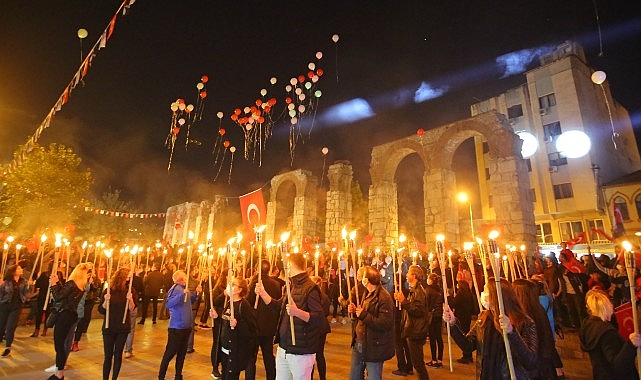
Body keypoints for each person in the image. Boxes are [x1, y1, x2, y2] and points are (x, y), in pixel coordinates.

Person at [444, 280, 538, 380]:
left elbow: (530, 361)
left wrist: (512, 332)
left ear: (496, 296)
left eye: (485, 291)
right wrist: (453, 322)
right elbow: (468, 345)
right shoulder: (484, 318)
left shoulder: (523, 322)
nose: (483, 294)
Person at [255, 252, 324, 380]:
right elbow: (279, 308)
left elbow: (319, 319)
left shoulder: (310, 288)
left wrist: (298, 312)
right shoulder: (291, 285)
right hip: (284, 348)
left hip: (301, 352)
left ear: (290, 265)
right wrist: (263, 294)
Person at [579, 289, 641, 379]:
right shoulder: (607, 332)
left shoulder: (587, 325)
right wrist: (630, 344)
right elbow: (618, 365)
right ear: (604, 307)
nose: (612, 306)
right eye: (609, 303)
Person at [348, 265, 395, 380]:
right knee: (354, 376)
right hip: (359, 342)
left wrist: (363, 314)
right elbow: (364, 314)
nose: (361, 279)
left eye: (363, 276)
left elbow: (385, 323)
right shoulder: (367, 293)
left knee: (374, 376)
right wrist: (355, 311)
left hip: (374, 346)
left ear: (368, 279)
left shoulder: (384, 297)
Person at [48, 263, 90, 380]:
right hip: (72, 315)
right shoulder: (81, 286)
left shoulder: (72, 284)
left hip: (64, 315)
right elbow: (65, 293)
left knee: (59, 344)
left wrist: (53, 284)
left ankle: (59, 373)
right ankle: (59, 371)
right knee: (61, 343)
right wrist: (58, 283)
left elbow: (58, 297)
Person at [158, 270, 202, 380]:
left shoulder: (184, 289)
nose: (187, 279)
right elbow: (168, 303)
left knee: (182, 354)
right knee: (170, 353)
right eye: (185, 278)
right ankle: (161, 376)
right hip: (177, 328)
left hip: (186, 327)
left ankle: (178, 375)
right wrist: (182, 294)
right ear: (181, 280)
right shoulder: (175, 289)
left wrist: (196, 293)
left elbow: (190, 300)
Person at [212, 276, 257, 380]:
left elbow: (252, 330)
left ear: (240, 289)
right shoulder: (229, 302)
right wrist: (217, 317)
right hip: (225, 349)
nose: (229, 286)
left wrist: (238, 325)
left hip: (235, 351)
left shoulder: (243, 305)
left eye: (233, 284)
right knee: (225, 375)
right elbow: (225, 323)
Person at [512, 279, 557, 380]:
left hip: (533, 369)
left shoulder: (527, 318)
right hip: (542, 365)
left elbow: (528, 350)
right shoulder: (537, 309)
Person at [246, 260, 282, 380]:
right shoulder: (276, 284)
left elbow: (248, 303)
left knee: (251, 357)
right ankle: (271, 377)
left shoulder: (255, 284)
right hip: (269, 326)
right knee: (268, 355)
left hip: (255, 325)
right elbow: (277, 304)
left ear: (256, 269)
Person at [99, 267, 136, 380]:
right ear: (122, 278)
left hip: (122, 327)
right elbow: (101, 310)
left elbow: (132, 309)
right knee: (108, 356)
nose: (129, 278)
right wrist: (106, 300)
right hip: (109, 327)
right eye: (127, 277)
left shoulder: (130, 290)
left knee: (118, 354)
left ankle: (114, 378)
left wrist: (130, 299)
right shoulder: (109, 290)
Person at [394, 265, 429, 380]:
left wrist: (403, 301)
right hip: (412, 329)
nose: (407, 274)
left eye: (408, 272)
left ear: (414, 276)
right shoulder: (413, 290)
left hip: (416, 331)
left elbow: (418, 311)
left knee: (418, 363)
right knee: (417, 362)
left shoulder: (418, 291)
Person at [0, 264, 29, 357]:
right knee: (1, 326)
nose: (21, 270)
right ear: (14, 271)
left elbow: (26, 294)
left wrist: (30, 287)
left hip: (16, 307)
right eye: (19, 268)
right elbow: (1, 294)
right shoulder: (6, 282)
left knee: (10, 327)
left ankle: (8, 347)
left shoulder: (24, 281)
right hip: (4, 306)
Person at [72, 264, 101, 351]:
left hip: (87, 301)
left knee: (83, 319)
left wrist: (91, 283)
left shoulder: (93, 279)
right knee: (72, 324)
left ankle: (76, 341)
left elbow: (95, 288)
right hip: (76, 304)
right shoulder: (77, 279)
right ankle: (71, 340)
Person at [312, 275, 331, 380]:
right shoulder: (325, 297)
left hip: (315, 328)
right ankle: (322, 377)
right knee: (320, 354)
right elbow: (327, 312)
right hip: (322, 327)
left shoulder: (314, 296)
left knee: (312, 354)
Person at [425, 273, 446, 367]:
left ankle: (434, 359)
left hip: (431, 316)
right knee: (439, 337)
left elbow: (426, 304)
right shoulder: (440, 290)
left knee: (432, 338)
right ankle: (440, 359)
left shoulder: (428, 290)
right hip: (439, 315)